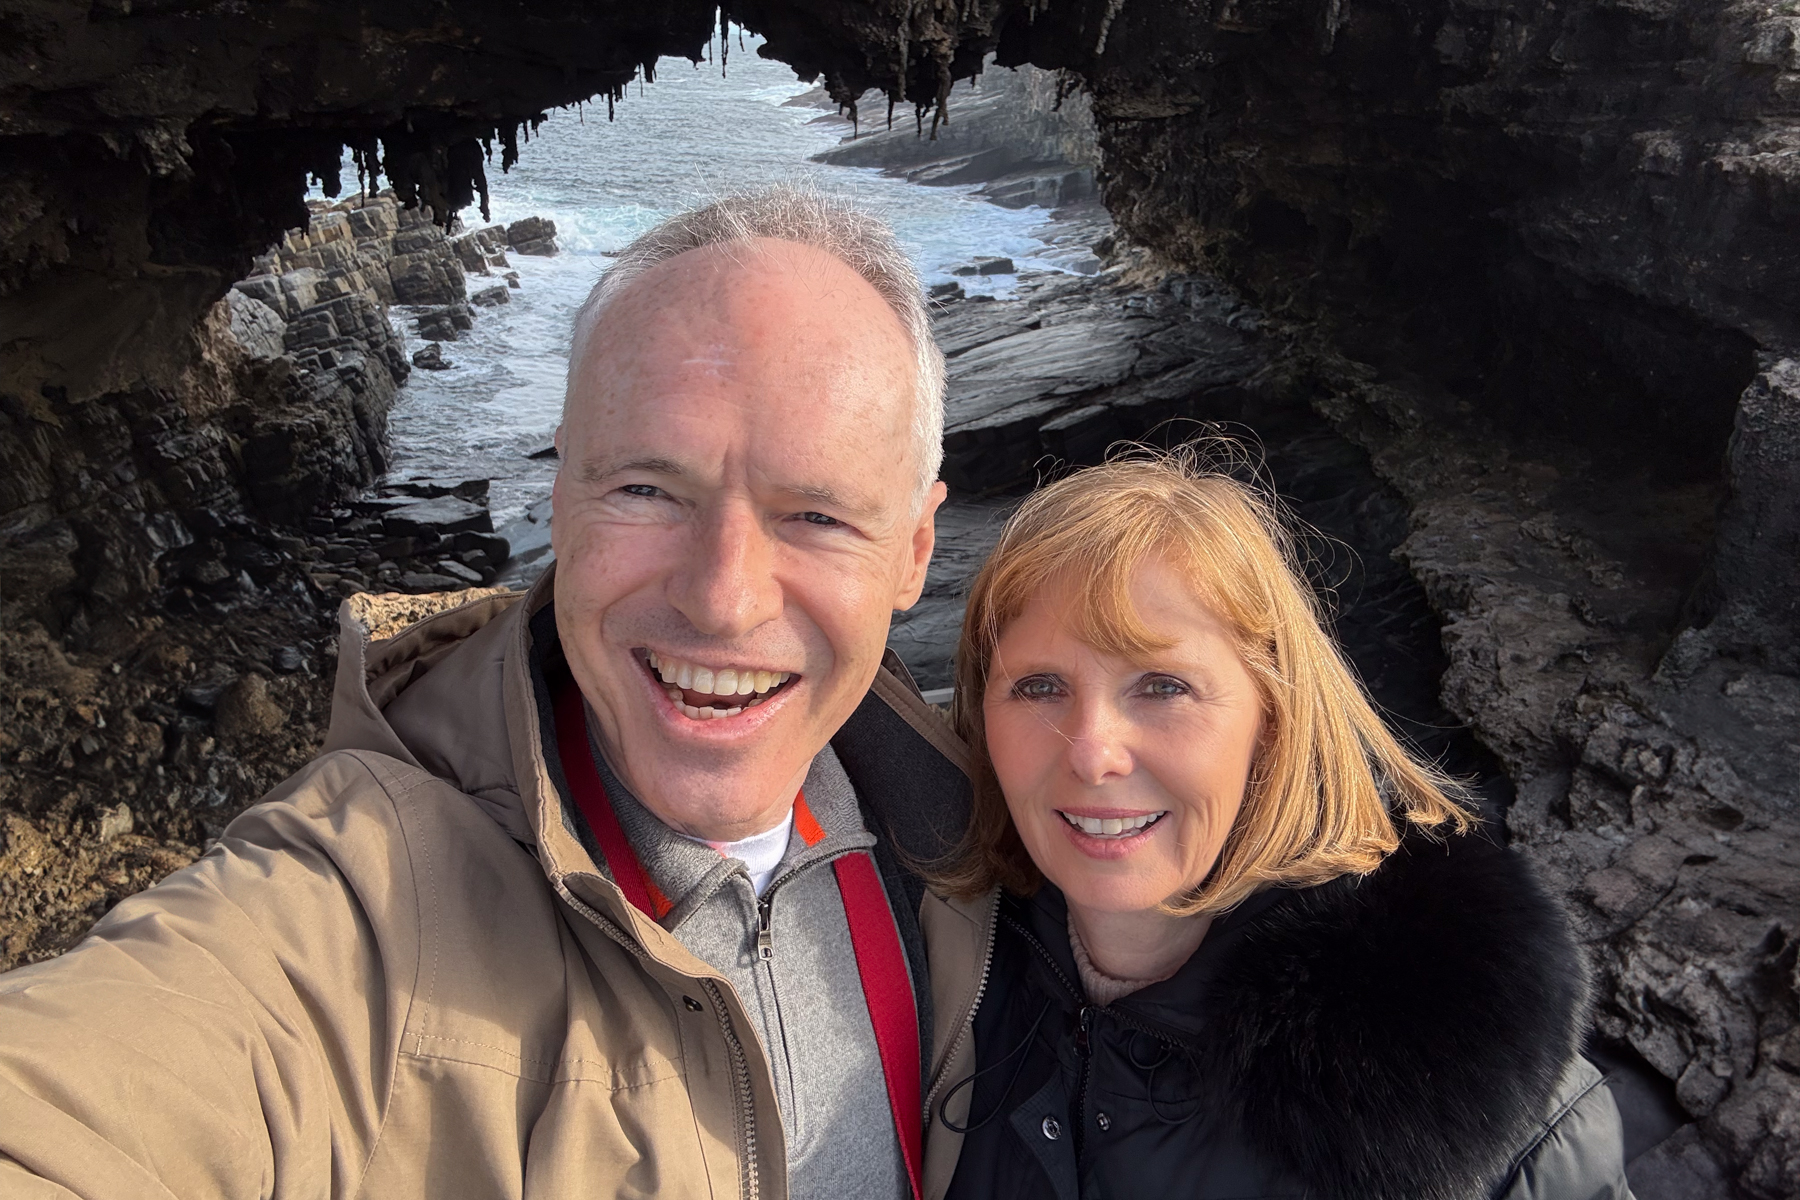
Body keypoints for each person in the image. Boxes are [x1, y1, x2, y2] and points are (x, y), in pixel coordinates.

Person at [0, 187, 989, 1200]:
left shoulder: (980, 854)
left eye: (817, 514)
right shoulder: (368, 904)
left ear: (915, 551)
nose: (725, 599)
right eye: (647, 491)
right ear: (560, 498)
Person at [934, 450, 1635, 1200]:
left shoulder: (1489, 1113)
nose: (1094, 752)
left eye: (1163, 686)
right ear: (982, 719)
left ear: (1272, 719)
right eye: (1039, 686)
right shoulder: (938, 987)